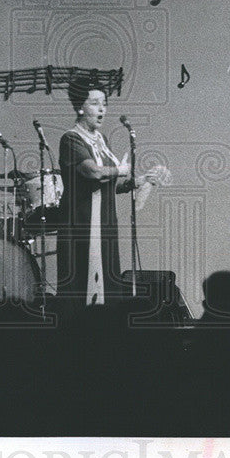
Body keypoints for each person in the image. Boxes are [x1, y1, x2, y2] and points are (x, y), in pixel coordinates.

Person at [56, 80, 138, 306]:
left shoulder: (101, 140)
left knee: (107, 277)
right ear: (80, 107)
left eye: (104, 103)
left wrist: (131, 183)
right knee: (83, 278)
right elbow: (92, 172)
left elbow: (106, 184)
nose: (102, 109)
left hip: (104, 222)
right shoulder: (71, 139)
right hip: (81, 221)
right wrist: (120, 170)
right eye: (95, 103)